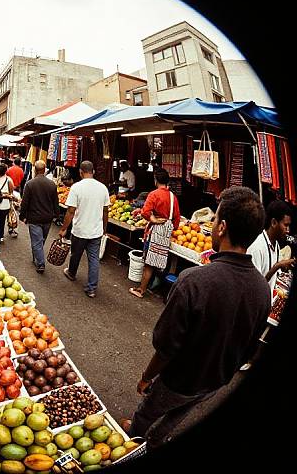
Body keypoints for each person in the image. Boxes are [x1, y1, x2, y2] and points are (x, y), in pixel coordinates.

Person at [121, 187, 271, 449]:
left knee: (147, 414)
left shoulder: (194, 281)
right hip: (215, 382)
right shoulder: (262, 289)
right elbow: (250, 348)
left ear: (222, 227)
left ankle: (132, 444)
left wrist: (146, 377)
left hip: (180, 379)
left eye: (214, 221)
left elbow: (166, 346)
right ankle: (154, 441)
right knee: (178, 416)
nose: (212, 226)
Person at [59, 160, 110, 298]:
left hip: (80, 230)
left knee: (76, 254)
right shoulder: (103, 188)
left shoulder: (76, 187)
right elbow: (106, 211)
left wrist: (64, 228)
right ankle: (91, 288)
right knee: (94, 259)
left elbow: (70, 211)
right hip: (96, 231)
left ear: (81, 172)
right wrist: (104, 228)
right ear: (93, 171)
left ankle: (71, 273)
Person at [129, 168, 181, 299]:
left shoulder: (154, 194)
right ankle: (154, 285)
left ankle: (141, 290)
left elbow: (146, 212)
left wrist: (153, 219)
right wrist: (170, 228)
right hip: (166, 232)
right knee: (160, 260)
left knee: (148, 262)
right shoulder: (172, 197)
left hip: (155, 231)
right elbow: (176, 219)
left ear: (156, 180)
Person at [20, 160, 60, 273]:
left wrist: (22, 215)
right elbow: (55, 202)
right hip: (47, 218)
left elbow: (25, 202)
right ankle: (37, 258)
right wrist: (56, 215)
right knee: (40, 241)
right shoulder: (51, 184)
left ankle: (41, 263)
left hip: (34, 218)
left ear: (35, 170)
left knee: (37, 241)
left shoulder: (30, 184)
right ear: (45, 169)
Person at [247, 200, 295, 291]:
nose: (288, 230)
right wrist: (278, 265)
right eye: (285, 225)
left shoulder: (275, 244)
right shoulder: (256, 246)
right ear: (273, 222)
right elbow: (255, 288)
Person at [6, 157, 25, 237]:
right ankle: (13, 227)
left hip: (9, 191)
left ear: (14, 162)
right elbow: (22, 180)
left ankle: (11, 227)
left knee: (10, 210)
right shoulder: (21, 170)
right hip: (17, 190)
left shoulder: (9, 169)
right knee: (15, 210)